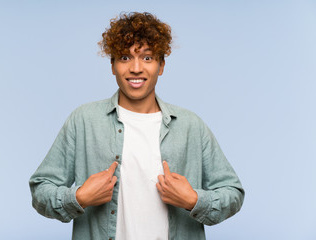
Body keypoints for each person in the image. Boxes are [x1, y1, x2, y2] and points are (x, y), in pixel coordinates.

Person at [29, 12, 245, 240]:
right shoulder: (83, 121)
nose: (136, 68)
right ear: (112, 65)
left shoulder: (191, 126)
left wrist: (193, 200)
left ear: (161, 66)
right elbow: (41, 189)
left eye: (147, 58)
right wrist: (79, 197)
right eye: (124, 57)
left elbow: (233, 193)